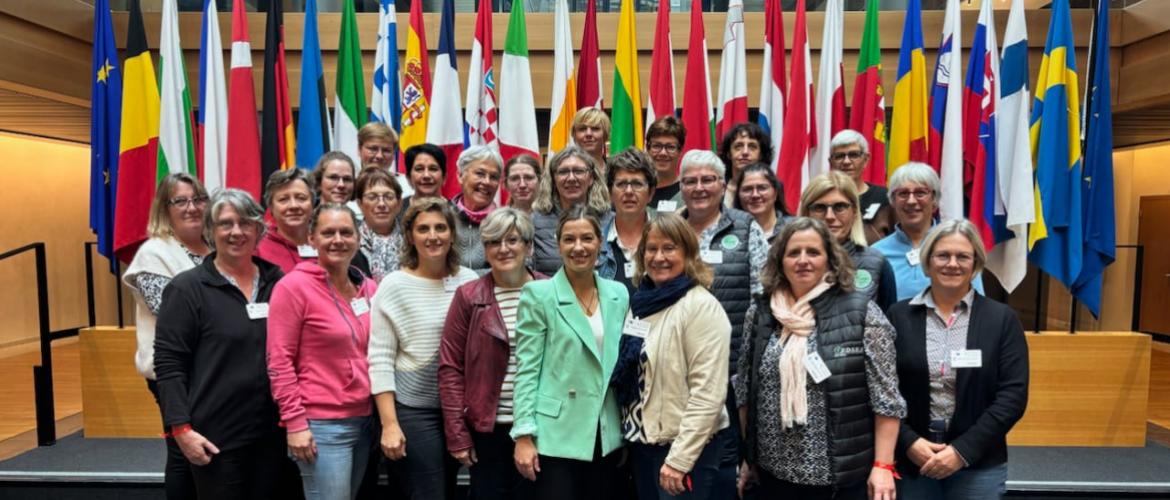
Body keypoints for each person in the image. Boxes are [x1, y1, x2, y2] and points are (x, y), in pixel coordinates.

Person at [736, 217, 905, 499]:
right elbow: (745, 390)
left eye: (813, 252)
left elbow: (886, 399)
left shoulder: (862, 313)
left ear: (830, 259)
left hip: (839, 479)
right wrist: (748, 456)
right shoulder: (761, 313)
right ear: (780, 261)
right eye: (793, 253)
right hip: (771, 475)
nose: (803, 260)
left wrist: (883, 465)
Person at [154, 189, 299, 499]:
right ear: (210, 230)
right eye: (226, 224)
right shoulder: (187, 289)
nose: (237, 232)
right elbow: (169, 366)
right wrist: (181, 430)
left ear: (259, 229)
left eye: (246, 223)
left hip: (276, 435)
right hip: (217, 437)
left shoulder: (279, 283)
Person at [889, 219, 1029, 500]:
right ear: (928, 262)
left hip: (978, 464)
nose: (952, 264)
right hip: (914, 462)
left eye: (962, 256)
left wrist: (962, 451)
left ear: (975, 264)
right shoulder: (897, 317)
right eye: (942, 255)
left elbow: (1012, 396)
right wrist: (908, 443)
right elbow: (882, 391)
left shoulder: (1001, 319)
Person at [511, 206, 630, 500]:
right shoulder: (539, 295)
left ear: (600, 243)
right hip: (555, 434)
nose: (579, 247)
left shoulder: (618, 294)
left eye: (587, 238)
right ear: (558, 243)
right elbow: (526, 369)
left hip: (605, 432)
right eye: (569, 239)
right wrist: (524, 434)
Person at [611, 213, 731, 499]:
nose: (659, 257)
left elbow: (708, 394)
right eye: (651, 249)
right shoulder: (642, 302)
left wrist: (679, 461)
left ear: (688, 253)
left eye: (669, 248)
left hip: (684, 452)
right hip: (644, 445)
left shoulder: (701, 307)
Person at [368, 198, 479, 500]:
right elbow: (380, 359)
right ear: (410, 236)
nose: (433, 236)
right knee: (427, 491)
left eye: (441, 227)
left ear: (452, 234)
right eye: (423, 229)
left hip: (459, 409)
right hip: (414, 409)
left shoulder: (469, 281)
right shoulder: (393, 285)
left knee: (453, 490)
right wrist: (389, 425)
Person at [267, 203, 379, 500]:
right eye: (328, 232)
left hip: (365, 420)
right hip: (322, 426)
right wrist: (295, 423)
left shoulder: (368, 288)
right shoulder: (293, 288)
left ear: (358, 237)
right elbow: (279, 361)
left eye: (346, 232)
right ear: (311, 239)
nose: (338, 240)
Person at [677, 149, 769, 496]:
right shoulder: (668, 228)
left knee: (725, 467)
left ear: (723, 184)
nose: (699, 188)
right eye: (690, 181)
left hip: (732, 371)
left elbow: (763, 298)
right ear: (681, 187)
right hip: (679, 370)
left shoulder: (746, 228)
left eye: (707, 180)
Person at [438, 208, 546, 500]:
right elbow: (450, 368)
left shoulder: (550, 291)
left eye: (512, 240)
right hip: (488, 429)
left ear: (529, 246)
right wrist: (458, 434)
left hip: (543, 427)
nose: (503, 249)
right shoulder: (469, 296)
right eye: (493, 242)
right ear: (484, 249)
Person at [122, 172, 212, 500]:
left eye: (198, 199)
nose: (191, 207)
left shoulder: (215, 245)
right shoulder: (154, 253)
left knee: (209, 448)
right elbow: (171, 313)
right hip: (174, 372)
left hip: (214, 368)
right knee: (183, 450)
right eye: (180, 201)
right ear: (165, 208)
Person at [872, 163, 984, 301]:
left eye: (920, 193)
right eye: (903, 193)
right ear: (893, 201)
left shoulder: (958, 247)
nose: (911, 201)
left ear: (934, 200)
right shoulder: (877, 254)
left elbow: (977, 302)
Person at [799, 171, 898, 311]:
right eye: (819, 208)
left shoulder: (876, 263)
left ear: (855, 212)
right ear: (806, 213)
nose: (829, 216)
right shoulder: (790, 261)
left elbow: (889, 326)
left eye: (840, 207)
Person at [530, 145, 613, 275]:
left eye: (578, 171)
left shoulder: (610, 220)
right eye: (563, 172)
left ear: (591, 178)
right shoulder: (535, 221)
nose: (571, 178)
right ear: (553, 178)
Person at [599, 148, 657, 295]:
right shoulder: (595, 243)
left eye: (637, 184)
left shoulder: (669, 239)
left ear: (650, 193)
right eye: (621, 184)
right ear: (610, 193)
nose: (629, 191)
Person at [829, 130, 892, 245]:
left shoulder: (885, 198)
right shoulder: (823, 198)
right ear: (831, 162)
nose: (846, 161)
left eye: (853, 155)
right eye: (839, 156)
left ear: (866, 159)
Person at [452, 145, 504, 273]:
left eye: (494, 177)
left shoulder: (504, 223)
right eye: (480, 174)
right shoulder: (442, 217)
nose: (486, 182)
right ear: (460, 176)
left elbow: (510, 272)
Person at [257, 168, 316, 273]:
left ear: (312, 204)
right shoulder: (258, 249)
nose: (293, 206)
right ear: (271, 208)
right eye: (283, 199)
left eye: (301, 198)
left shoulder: (326, 242)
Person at [355, 167, 404, 282]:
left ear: (399, 204)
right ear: (360, 204)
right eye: (372, 197)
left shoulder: (413, 240)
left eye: (388, 197)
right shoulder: (350, 242)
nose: (381, 204)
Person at [718, 123, 774, 208]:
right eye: (738, 146)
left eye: (752, 146)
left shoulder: (771, 188)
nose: (745, 152)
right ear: (728, 153)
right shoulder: (717, 187)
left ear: (761, 155)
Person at [733, 163, 791, 241]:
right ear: (738, 195)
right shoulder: (727, 232)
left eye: (762, 188)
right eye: (747, 189)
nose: (755, 195)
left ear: (776, 193)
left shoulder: (795, 229)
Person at [645, 116, 686, 212]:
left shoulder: (688, 193)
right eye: (657, 146)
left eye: (670, 147)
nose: (663, 153)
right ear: (648, 149)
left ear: (680, 151)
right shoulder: (635, 190)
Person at [572, 106, 611, 174]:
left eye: (595, 128)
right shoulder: (562, 170)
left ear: (605, 134)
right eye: (582, 129)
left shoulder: (615, 172)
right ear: (574, 135)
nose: (588, 134)